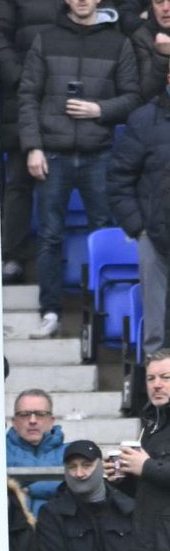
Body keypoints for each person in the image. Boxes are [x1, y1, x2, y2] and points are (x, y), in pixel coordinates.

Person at [18, 0, 140, 338]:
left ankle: (102, 315)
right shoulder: (45, 40)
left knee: (104, 230)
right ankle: (50, 312)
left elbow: (134, 97)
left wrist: (99, 110)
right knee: (51, 236)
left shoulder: (119, 42)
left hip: (98, 153)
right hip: (52, 153)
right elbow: (28, 96)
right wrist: (33, 146)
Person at [0, 0, 83, 284]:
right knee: (18, 181)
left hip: (70, 98)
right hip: (22, 98)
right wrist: (23, 81)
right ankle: (11, 256)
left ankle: (64, 262)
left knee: (71, 179)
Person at [108, 69, 170, 354]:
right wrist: (139, 229)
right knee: (156, 332)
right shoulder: (144, 119)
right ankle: (156, 390)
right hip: (155, 238)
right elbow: (119, 178)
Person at [35, 438, 134, 551]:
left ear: (101, 466)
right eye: (72, 467)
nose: (79, 474)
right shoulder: (52, 514)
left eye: (87, 465)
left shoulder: (128, 508)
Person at [109, 348, 170, 551]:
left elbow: (151, 469)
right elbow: (149, 487)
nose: (156, 384)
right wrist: (122, 477)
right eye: (151, 378)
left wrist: (144, 466)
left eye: (166, 378)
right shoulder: (151, 424)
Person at [5, 387, 65, 508]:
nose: (32, 420)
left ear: (51, 421)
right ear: (14, 421)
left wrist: (29, 489)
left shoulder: (70, 453)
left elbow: (77, 483)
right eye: (24, 414)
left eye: (40, 414)